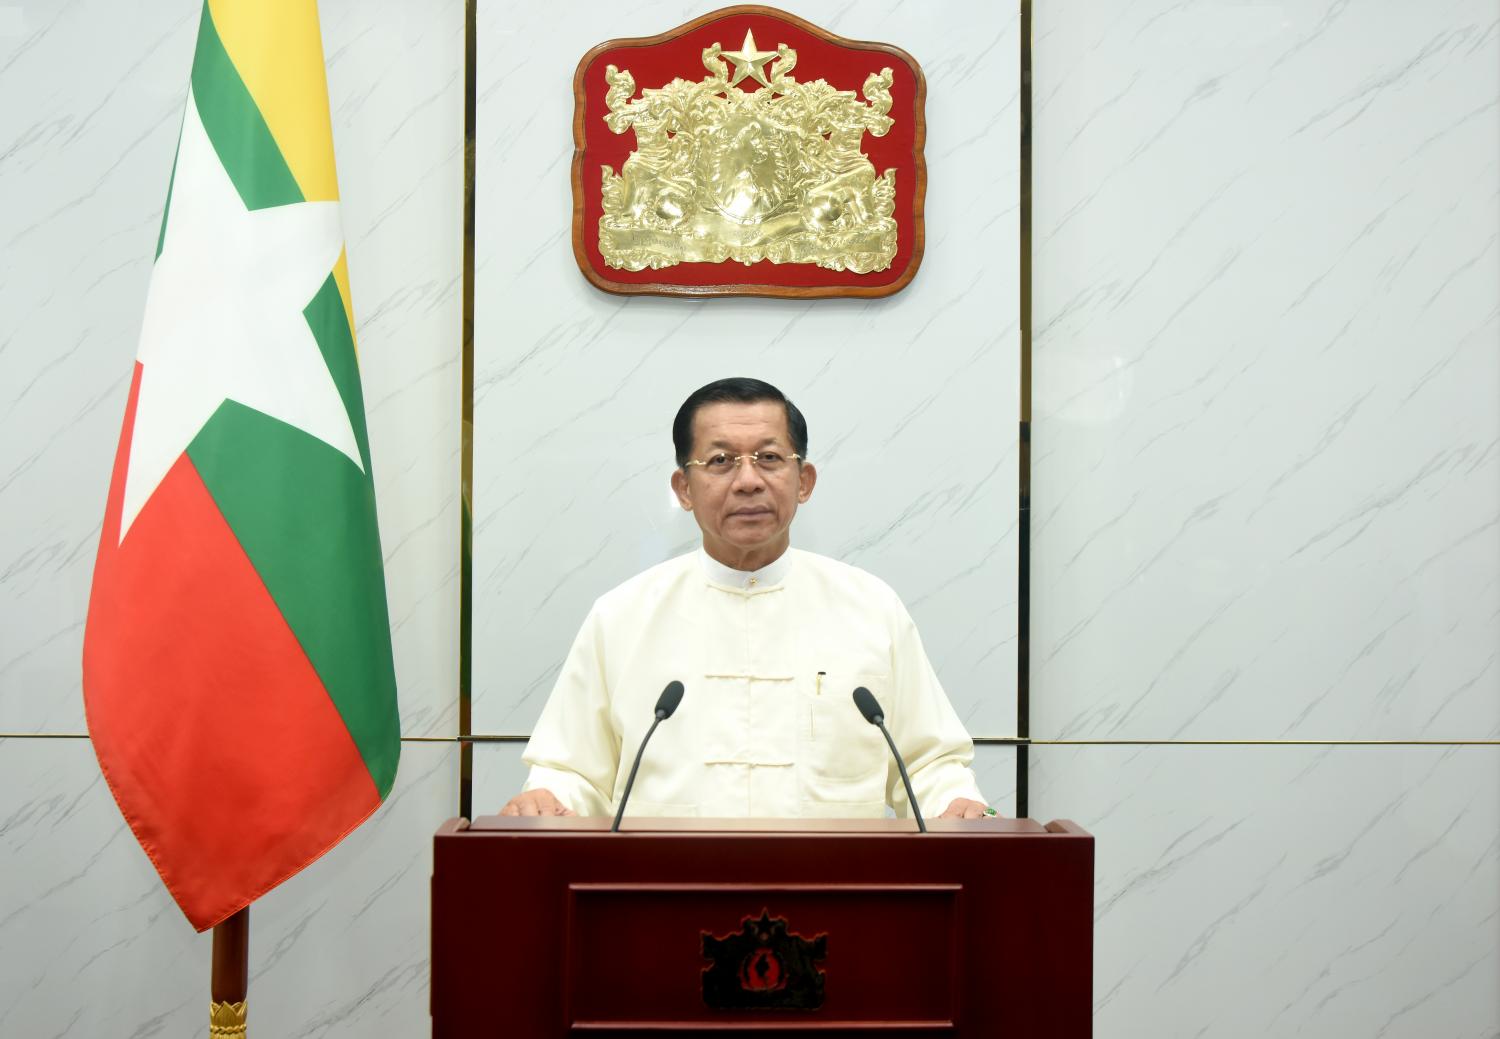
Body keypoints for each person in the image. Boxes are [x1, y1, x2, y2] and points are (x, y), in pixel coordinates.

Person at [500, 377, 991, 820]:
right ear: (684, 488)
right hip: (665, 885)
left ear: (804, 481)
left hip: (833, 886)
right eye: (720, 461)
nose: (749, 480)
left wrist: (956, 804)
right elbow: (572, 772)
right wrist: (547, 797)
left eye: (769, 458)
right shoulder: (623, 615)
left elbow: (928, 764)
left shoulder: (870, 608)